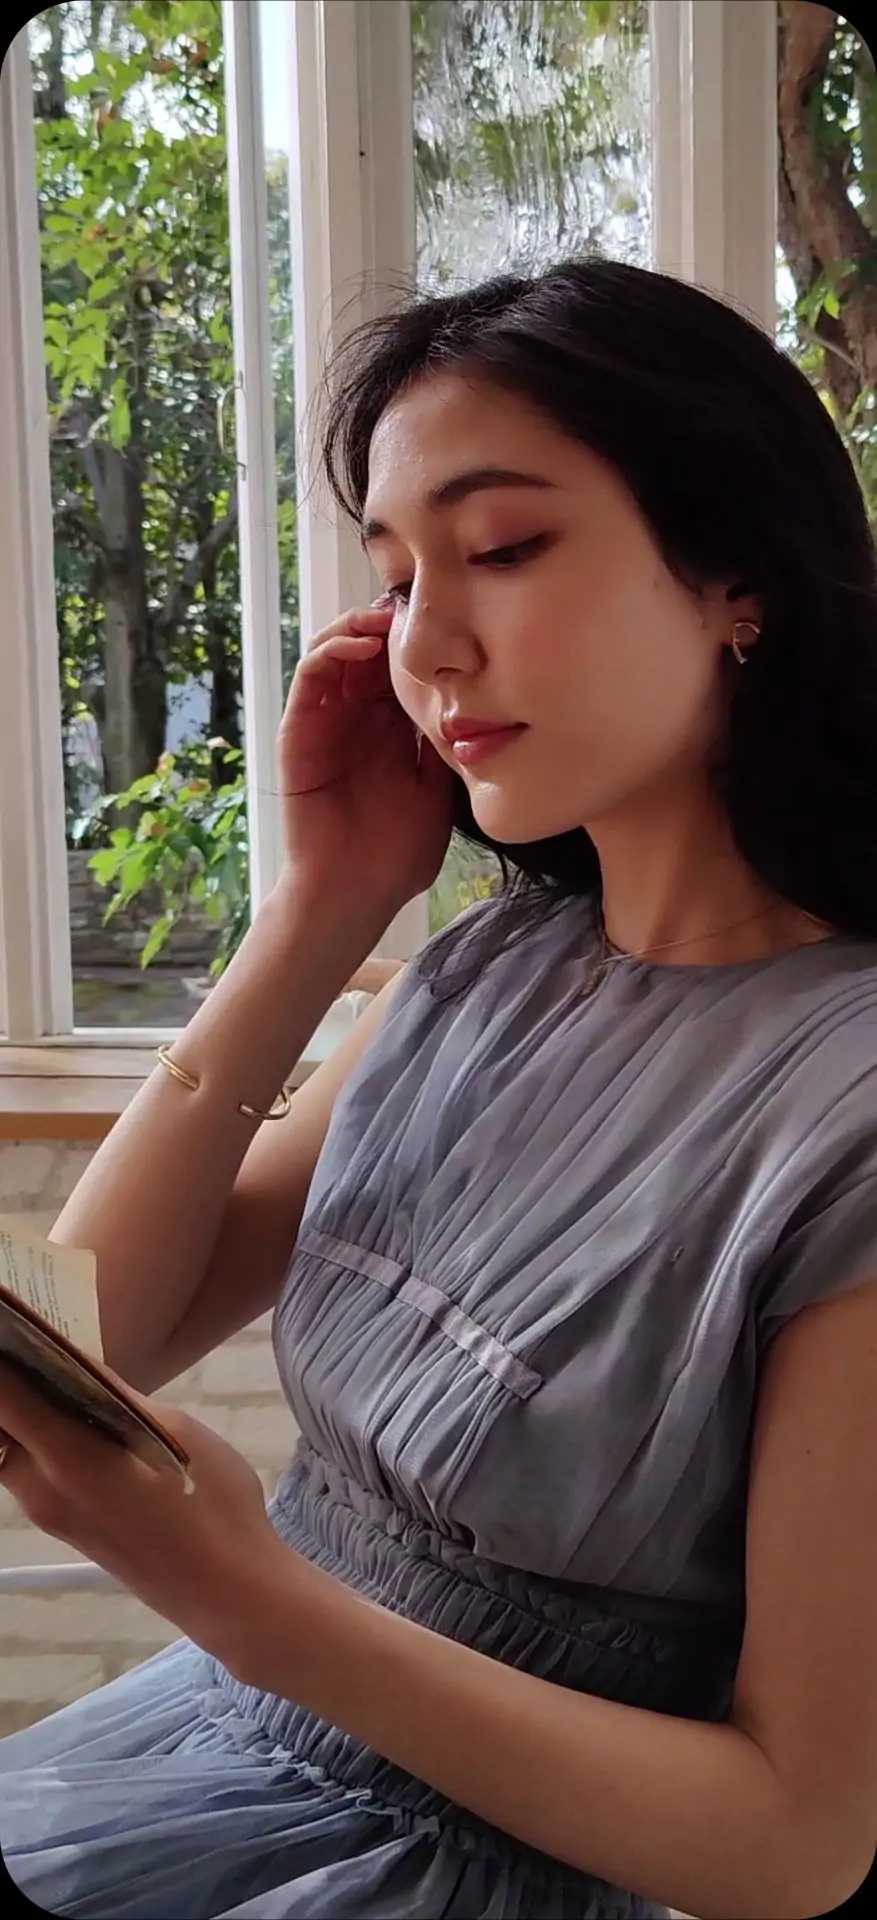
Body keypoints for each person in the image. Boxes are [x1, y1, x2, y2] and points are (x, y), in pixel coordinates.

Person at [1, 256, 876, 1920]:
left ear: (740, 579)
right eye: (397, 577)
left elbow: (798, 1840)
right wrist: (320, 909)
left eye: (506, 548)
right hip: (198, 1755)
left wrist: (251, 1600)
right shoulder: (482, 975)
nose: (428, 641)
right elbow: (84, 1342)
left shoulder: (847, 1112)